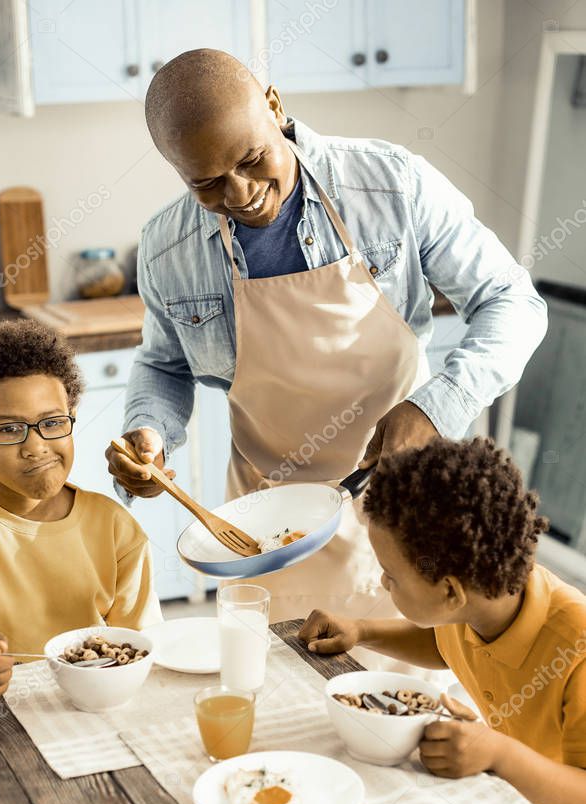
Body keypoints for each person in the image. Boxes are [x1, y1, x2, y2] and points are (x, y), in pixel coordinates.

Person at [106, 48, 547, 629]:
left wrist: (435, 408)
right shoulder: (168, 250)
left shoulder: (392, 187)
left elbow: (512, 301)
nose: (240, 194)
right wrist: (149, 431)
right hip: (265, 527)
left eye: (252, 159)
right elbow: (163, 366)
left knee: (409, 699)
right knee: (280, 696)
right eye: (207, 183)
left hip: (405, 503)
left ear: (273, 105)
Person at [299, 437, 586, 804]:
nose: (382, 582)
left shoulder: (577, 647)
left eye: (392, 576)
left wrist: (498, 753)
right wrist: (362, 630)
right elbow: (447, 644)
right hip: (520, 799)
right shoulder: (483, 599)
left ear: (449, 591)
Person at [0, 320, 161, 699]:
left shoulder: (115, 528)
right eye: (9, 430)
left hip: (89, 709)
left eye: (53, 423)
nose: (36, 446)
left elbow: (141, 644)